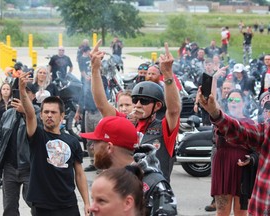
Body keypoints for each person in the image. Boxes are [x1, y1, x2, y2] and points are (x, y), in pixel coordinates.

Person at [90, 40, 181, 182]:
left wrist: (168, 74)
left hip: (153, 194)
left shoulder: (163, 128)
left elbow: (174, 110)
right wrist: (95, 69)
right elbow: (102, 105)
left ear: (157, 106)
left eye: (144, 101)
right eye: (135, 100)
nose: (138, 104)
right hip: (126, 192)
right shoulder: (124, 123)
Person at [18, 73, 90, 215]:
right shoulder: (37, 136)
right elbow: (30, 114)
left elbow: (80, 174)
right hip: (42, 205)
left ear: (62, 116)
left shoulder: (73, 141)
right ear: (41, 115)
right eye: (46, 112)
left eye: (53, 112)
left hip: (68, 204)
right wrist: (22, 91)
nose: (49, 115)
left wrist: (87, 203)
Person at [80, 116, 178, 215]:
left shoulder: (154, 184)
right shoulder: (106, 179)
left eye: (96, 142)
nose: (92, 147)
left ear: (109, 147)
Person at [197, 84, 270, 216]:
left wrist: (251, 159)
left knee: (241, 212)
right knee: (222, 212)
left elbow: (259, 151)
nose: (233, 103)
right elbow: (231, 128)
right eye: (230, 100)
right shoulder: (224, 121)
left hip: (243, 172)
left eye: (236, 100)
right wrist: (214, 112)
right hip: (223, 167)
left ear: (243, 103)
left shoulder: (252, 123)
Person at [0, 83, 39, 216]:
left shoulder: (39, 114)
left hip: (30, 168)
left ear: (32, 97)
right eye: (20, 94)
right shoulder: (7, 114)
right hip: (9, 167)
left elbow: (39, 133)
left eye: (26, 94)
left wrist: (26, 113)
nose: (22, 97)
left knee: (36, 204)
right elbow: (0, 141)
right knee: (9, 208)